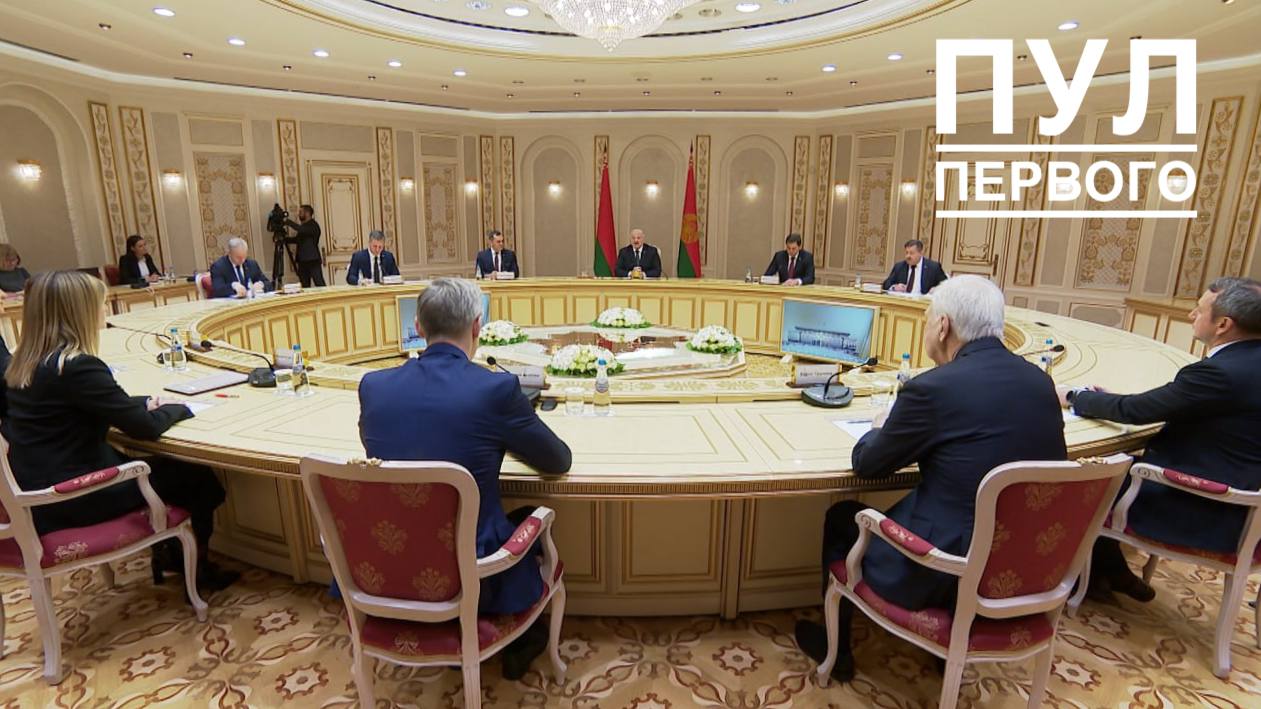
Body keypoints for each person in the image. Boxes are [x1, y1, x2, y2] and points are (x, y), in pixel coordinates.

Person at [794, 275, 1067, 681]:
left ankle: (840, 654)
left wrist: (880, 425)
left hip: (944, 571)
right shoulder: (1040, 382)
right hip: (1025, 569)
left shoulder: (933, 389)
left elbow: (867, 464)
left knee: (842, 517)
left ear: (943, 326)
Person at [358, 277, 572, 679]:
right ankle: (521, 639)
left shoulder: (373, 386)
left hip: (387, 568)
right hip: (473, 574)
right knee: (525, 514)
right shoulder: (496, 390)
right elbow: (558, 460)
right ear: (477, 327)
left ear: (418, 327)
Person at [2, 270, 236, 590]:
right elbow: (145, 428)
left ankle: (168, 553)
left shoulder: (25, 363)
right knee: (197, 477)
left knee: (165, 470)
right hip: (73, 496)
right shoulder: (77, 366)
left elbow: (82, 405)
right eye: (99, 304)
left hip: (36, 491)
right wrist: (181, 407)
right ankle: (196, 568)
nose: (104, 310)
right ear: (79, 312)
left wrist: (144, 402)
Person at [1059, 276, 1261, 603]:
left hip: (1207, 510)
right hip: (1249, 505)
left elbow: (1135, 411)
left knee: (1086, 479)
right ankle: (1109, 570)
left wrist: (1073, 396)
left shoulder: (1219, 373)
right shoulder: (1246, 364)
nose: (1191, 316)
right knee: (1118, 467)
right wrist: (1119, 401)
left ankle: (1079, 577)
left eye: (1199, 310)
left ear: (1224, 324)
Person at [209, 238, 273, 298]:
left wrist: (261, 284)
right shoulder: (218, 267)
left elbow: (269, 284)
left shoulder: (252, 264)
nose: (242, 260)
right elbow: (218, 290)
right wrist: (233, 286)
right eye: (238, 257)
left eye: (244, 256)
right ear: (229, 253)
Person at [882, 239, 948, 294]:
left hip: (924, 302)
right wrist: (894, 287)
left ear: (921, 253)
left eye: (911, 253)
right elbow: (886, 284)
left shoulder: (933, 267)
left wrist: (936, 289)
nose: (908, 256)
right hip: (903, 301)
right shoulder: (900, 266)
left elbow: (946, 285)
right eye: (906, 253)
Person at [284, 204, 326, 288]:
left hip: (312, 260)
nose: (299, 214)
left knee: (319, 283)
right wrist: (285, 239)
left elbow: (302, 230)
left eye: (300, 212)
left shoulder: (313, 225)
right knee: (304, 286)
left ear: (307, 213)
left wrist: (288, 222)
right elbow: (297, 240)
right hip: (302, 261)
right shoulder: (304, 226)